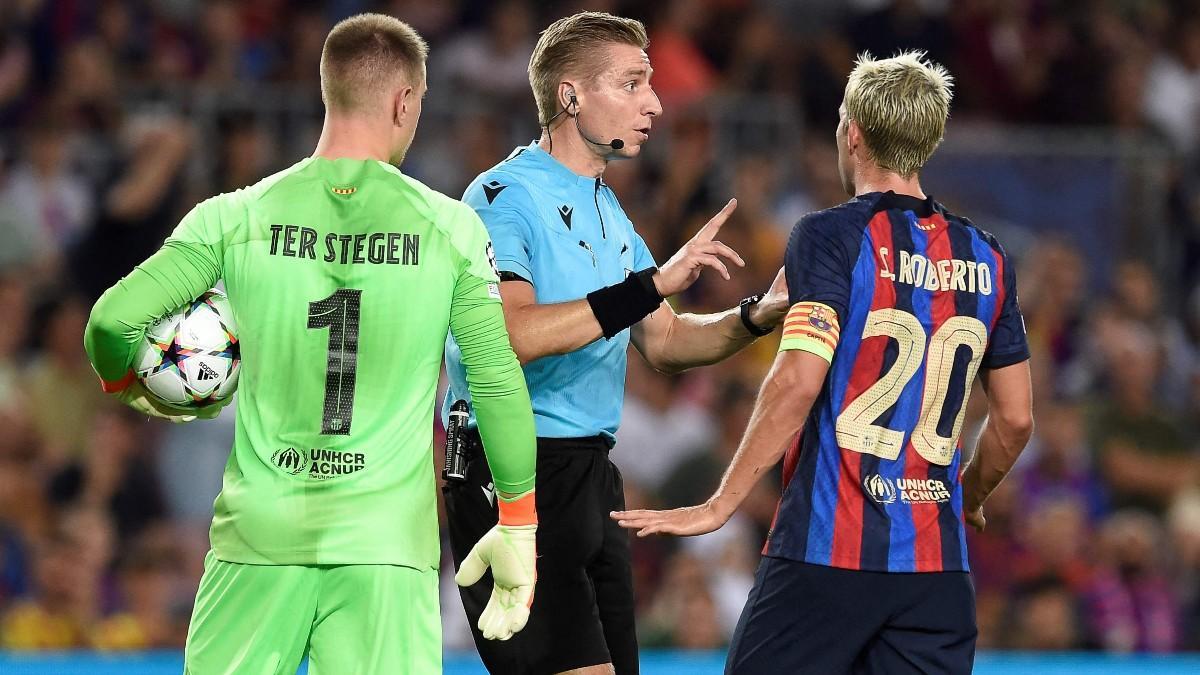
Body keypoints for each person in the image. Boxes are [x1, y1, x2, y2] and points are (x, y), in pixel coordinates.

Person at [83, 14, 538, 674]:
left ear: (332, 91)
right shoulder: (452, 231)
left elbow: (108, 323)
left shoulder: (233, 216)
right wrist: (519, 524)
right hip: (384, 550)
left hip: (258, 538)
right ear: (404, 100)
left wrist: (137, 390)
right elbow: (494, 377)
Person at [614, 51, 1035, 674]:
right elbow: (1016, 420)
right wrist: (965, 494)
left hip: (826, 557)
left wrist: (720, 504)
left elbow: (798, 377)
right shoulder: (988, 255)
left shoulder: (831, 235)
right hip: (937, 575)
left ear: (854, 134)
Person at [442, 11, 788, 675]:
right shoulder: (501, 196)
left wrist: (756, 315)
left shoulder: (607, 208)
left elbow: (663, 340)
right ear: (571, 96)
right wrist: (652, 283)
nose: (654, 103)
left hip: (592, 476)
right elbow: (512, 333)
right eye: (632, 83)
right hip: (511, 473)